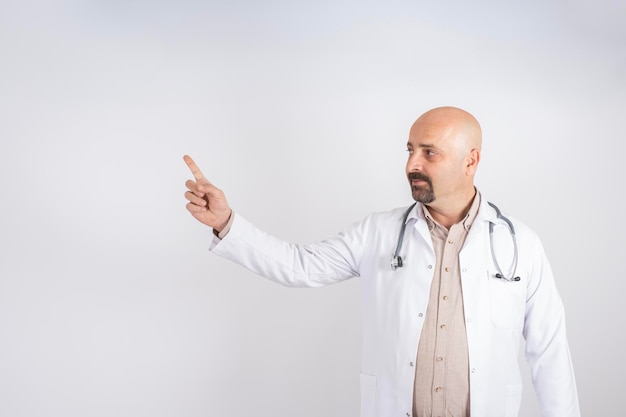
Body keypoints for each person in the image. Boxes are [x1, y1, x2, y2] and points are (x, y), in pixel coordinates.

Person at [183, 106, 580, 417]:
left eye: (430, 153)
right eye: (410, 150)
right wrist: (226, 223)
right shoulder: (378, 233)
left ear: (470, 161)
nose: (412, 165)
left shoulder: (519, 244)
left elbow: (549, 351)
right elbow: (300, 266)